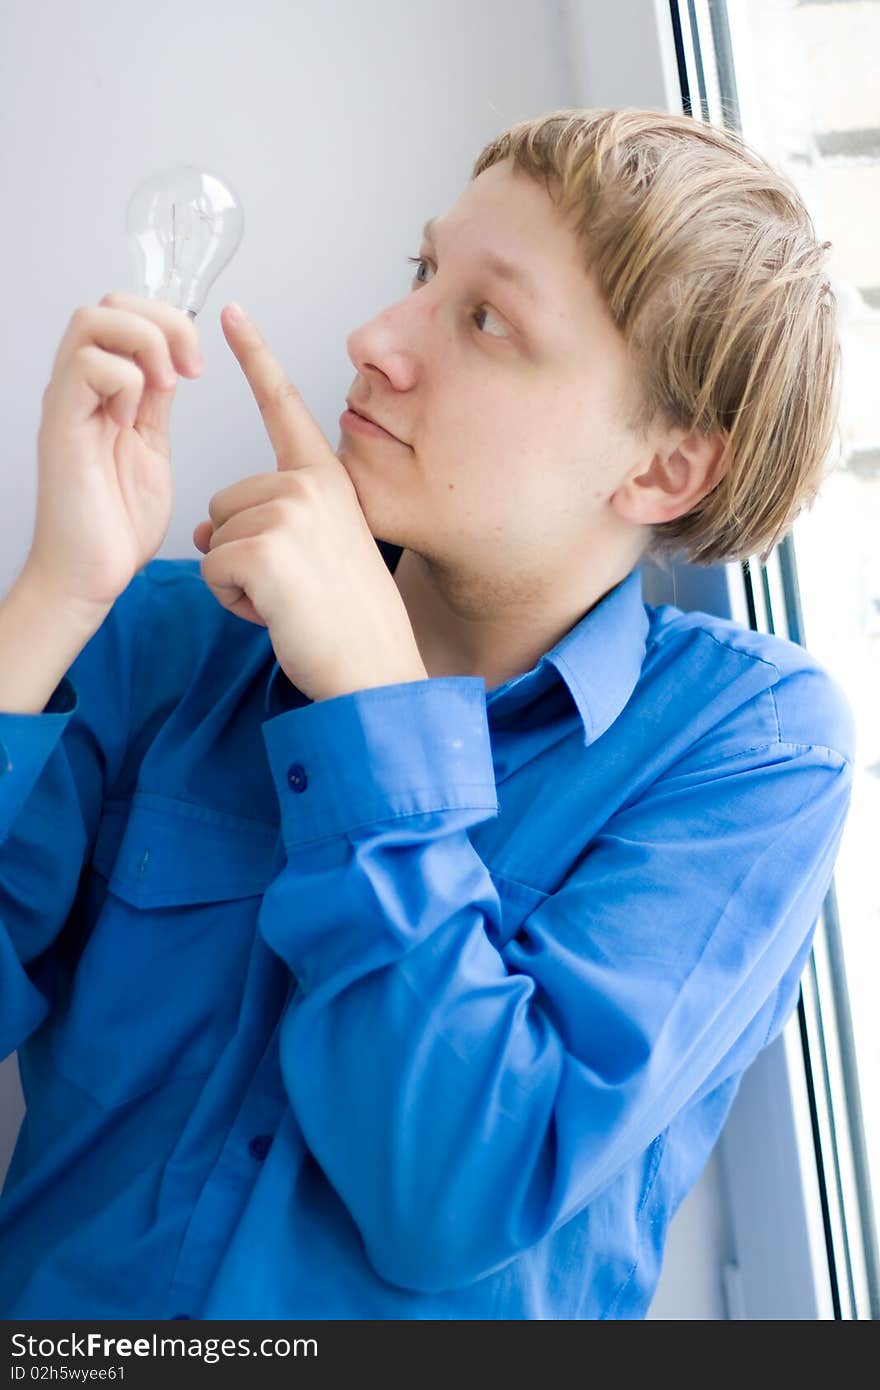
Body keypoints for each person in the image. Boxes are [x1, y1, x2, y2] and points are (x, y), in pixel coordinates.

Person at [0, 107, 854, 1319]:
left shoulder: (752, 747)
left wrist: (365, 701)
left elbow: (451, 1193)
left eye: (486, 318)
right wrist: (56, 592)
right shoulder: (175, 635)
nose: (375, 338)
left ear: (663, 469)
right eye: (421, 273)